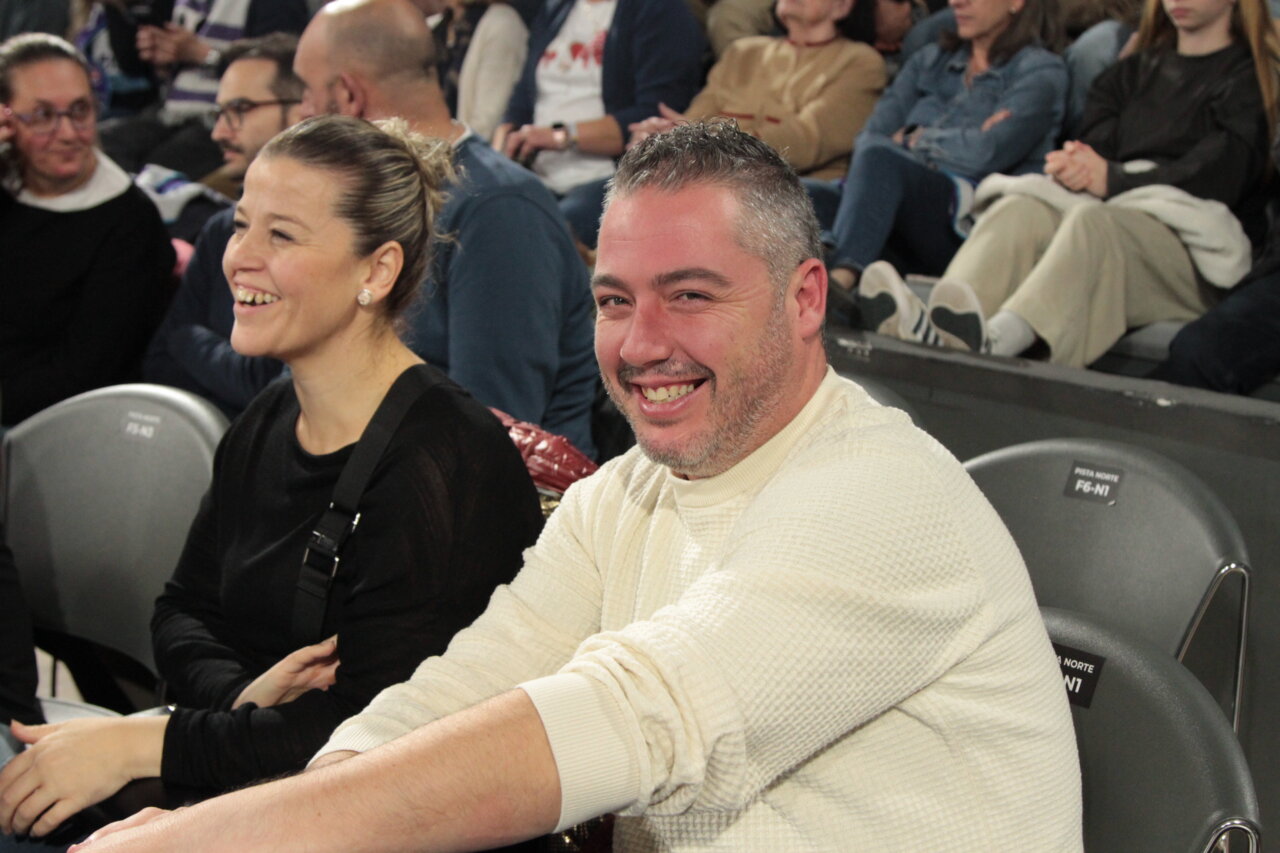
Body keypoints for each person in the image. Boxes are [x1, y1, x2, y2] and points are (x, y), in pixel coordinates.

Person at [69, 120, 1083, 853]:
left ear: (805, 296)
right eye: (612, 300)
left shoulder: (877, 500)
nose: (641, 345)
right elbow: (457, 693)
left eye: (690, 296)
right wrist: (274, 809)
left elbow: (626, 714)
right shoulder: (627, 493)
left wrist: (230, 834)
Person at [0, 114, 545, 843]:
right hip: (250, 770)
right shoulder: (267, 414)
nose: (238, 259)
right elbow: (182, 610)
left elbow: (374, 744)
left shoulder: (445, 460)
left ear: (375, 271)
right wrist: (239, 703)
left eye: (280, 236)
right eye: (240, 224)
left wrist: (142, 743)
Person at [865, 0, 1278, 368]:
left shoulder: (1250, 77)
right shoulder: (1130, 70)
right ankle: (937, 333)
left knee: (1093, 222)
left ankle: (995, 345)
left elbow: (1221, 174)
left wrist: (1112, 178)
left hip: (1193, 246)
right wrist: (1076, 166)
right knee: (1020, 209)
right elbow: (1095, 146)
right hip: (1119, 208)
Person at [294, 0, 598, 457]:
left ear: (348, 96)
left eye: (306, 92)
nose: (300, 112)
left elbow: (487, 429)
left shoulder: (498, 211)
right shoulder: (359, 206)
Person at [579, 0, 886, 248]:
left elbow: (806, 140)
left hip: (794, 185)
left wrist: (700, 135)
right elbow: (693, 119)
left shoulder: (860, 62)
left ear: (843, 6)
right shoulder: (745, 52)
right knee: (595, 197)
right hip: (712, 175)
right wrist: (660, 134)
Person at [821, 0, 1066, 307]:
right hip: (891, 206)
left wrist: (911, 138)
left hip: (964, 224)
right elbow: (870, 137)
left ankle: (840, 281)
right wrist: (956, 142)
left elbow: (985, 153)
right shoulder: (930, 60)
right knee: (801, 192)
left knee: (881, 162)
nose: (955, 2)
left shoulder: (1040, 71)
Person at [0, 33, 174, 428]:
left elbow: (81, 374)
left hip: (52, 426)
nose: (67, 133)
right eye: (43, 115)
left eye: (80, 110)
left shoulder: (130, 222)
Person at [143, 33, 302, 416]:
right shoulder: (219, 231)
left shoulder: (322, 238)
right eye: (219, 113)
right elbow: (161, 364)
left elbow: (270, 388)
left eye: (240, 109)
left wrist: (192, 341)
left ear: (303, 110)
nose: (219, 132)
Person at [493, 0, 705, 245]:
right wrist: (496, 163)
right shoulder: (556, 8)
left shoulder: (660, 9)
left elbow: (656, 116)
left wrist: (560, 136)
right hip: (538, 174)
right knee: (486, 214)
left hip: (611, 177)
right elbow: (518, 107)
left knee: (543, 232)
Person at [96, 0, 309, 179]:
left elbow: (283, 65)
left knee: (161, 169)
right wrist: (160, 58)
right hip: (171, 109)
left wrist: (204, 55)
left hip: (223, 115)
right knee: (101, 147)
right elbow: (134, 68)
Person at [425, 0, 529, 141]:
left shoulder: (502, 24)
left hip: (463, 155)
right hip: (429, 146)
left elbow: (486, 125)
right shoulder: (434, 26)